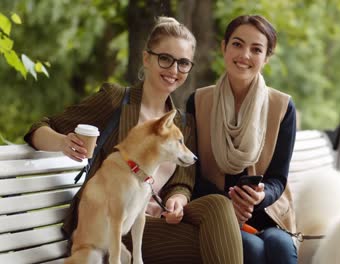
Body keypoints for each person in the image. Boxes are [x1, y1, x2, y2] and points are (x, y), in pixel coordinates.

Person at [24, 16, 242, 264]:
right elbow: (39, 128)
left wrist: (176, 201)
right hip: (109, 227)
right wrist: (63, 142)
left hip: (153, 225)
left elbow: (183, 183)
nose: (173, 70)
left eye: (183, 63)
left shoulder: (182, 123)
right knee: (217, 244)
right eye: (165, 58)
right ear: (147, 58)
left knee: (218, 205)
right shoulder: (115, 101)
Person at [186, 15, 297, 264]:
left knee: (280, 246)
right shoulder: (199, 101)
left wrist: (260, 197)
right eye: (237, 44)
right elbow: (191, 172)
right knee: (252, 248)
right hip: (216, 212)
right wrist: (228, 205)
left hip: (267, 212)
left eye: (256, 49)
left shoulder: (282, 106)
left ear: (266, 57)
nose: (244, 55)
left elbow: (279, 178)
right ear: (224, 47)